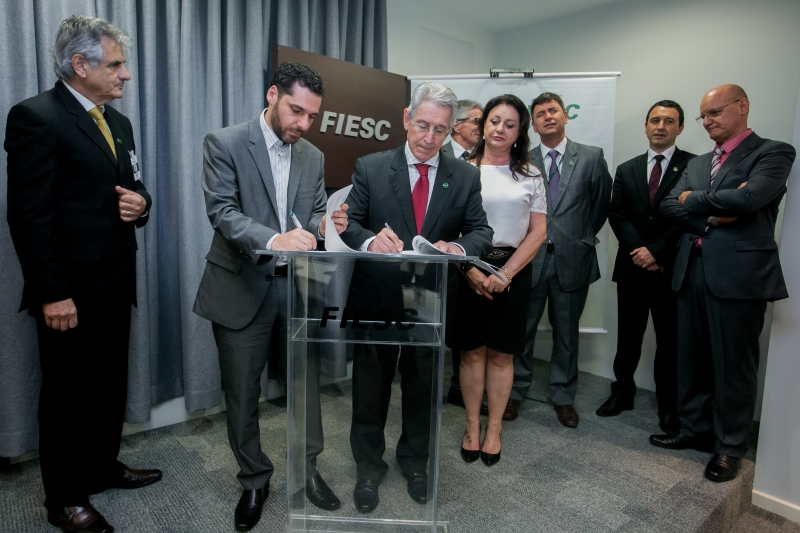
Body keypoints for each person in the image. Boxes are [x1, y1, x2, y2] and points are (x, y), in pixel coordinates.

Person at [5, 15, 159, 533]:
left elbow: (135, 188)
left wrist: (142, 204)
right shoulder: (36, 117)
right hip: (67, 293)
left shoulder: (119, 123)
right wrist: (52, 293)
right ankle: (65, 498)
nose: (125, 75)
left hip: (115, 284)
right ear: (80, 65)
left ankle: (100, 467)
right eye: (116, 65)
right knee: (67, 397)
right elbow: (29, 217)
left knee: (108, 387)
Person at [192, 62, 348, 531]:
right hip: (241, 285)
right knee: (242, 392)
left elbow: (313, 213)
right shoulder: (225, 143)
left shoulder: (312, 156)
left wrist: (326, 224)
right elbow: (222, 211)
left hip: (295, 288)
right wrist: (273, 238)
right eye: (296, 111)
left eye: (312, 116)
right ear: (273, 95)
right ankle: (254, 479)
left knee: (305, 386)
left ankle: (308, 469)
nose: (304, 124)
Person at [341, 82, 493, 513]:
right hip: (375, 295)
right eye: (423, 125)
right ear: (407, 119)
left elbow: (481, 231)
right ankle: (368, 468)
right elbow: (349, 224)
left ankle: (415, 463)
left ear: (452, 129)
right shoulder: (371, 167)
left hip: (429, 298)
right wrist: (369, 240)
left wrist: (456, 247)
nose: (429, 137)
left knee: (422, 388)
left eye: (440, 129)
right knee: (369, 390)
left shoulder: (465, 175)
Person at [653, 84, 795, 482]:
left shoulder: (773, 152)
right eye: (704, 116)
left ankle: (730, 446)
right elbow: (669, 205)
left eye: (714, 112)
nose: (707, 121)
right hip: (690, 270)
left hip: (738, 275)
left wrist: (693, 200)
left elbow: (749, 201)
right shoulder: (700, 162)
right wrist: (714, 213)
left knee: (734, 366)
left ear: (742, 106)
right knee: (691, 359)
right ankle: (694, 429)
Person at [454, 94, 547, 466]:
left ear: (520, 131)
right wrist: (469, 270)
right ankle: (472, 426)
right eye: (494, 121)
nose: (500, 129)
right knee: (472, 352)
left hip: (513, 268)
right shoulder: (461, 169)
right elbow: (449, 227)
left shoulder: (531, 174)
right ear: (483, 124)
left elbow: (538, 232)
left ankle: (494, 430)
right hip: (468, 263)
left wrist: (506, 273)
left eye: (510, 124)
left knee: (502, 355)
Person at [510, 92, 612, 426]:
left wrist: (577, 237)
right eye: (540, 114)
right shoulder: (521, 160)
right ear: (534, 124)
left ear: (565, 116)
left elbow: (600, 205)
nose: (548, 117)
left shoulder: (591, 157)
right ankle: (514, 392)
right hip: (530, 259)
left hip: (572, 258)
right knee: (522, 331)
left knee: (567, 334)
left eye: (553, 110)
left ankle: (564, 397)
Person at [596, 100, 696, 434]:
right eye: (655, 120)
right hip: (632, 267)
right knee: (628, 336)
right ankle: (622, 393)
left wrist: (656, 252)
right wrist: (639, 251)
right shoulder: (627, 168)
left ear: (680, 128)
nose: (660, 126)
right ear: (646, 126)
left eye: (669, 121)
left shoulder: (693, 166)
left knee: (669, 342)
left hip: (670, 268)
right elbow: (617, 213)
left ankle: (668, 405)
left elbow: (688, 215)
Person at [441, 98, 484, 408]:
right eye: (477, 121)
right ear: (456, 125)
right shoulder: (435, 154)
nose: (483, 128)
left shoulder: (488, 158)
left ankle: (459, 387)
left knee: (466, 325)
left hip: (470, 256)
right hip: (435, 257)